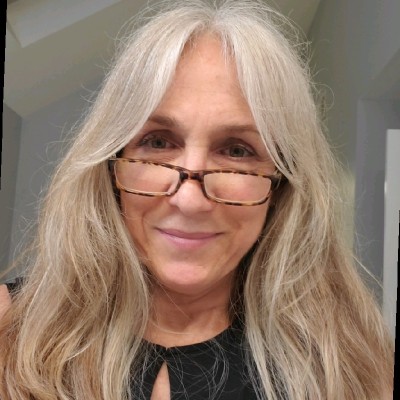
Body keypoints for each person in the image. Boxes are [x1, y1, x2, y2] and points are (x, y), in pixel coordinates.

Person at [0, 1, 394, 399]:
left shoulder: (357, 369)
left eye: (237, 151)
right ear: (111, 166)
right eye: (157, 142)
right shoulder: (11, 329)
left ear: (282, 184)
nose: (189, 201)